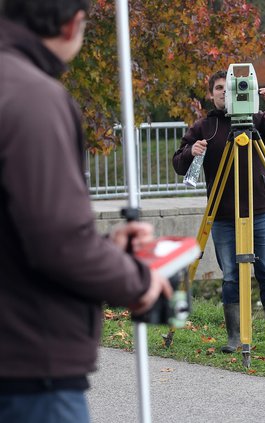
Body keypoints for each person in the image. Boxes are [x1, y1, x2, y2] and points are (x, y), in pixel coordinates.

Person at [0, 1, 173, 421]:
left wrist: (103, 250)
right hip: (28, 369)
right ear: (72, 24)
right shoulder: (34, 99)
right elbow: (56, 243)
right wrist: (137, 279)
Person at [173, 70, 265, 354]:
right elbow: (179, 165)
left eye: (228, 87)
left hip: (260, 213)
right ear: (211, 93)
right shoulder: (204, 127)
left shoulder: (257, 121)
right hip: (222, 216)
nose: (224, 92)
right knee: (231, 275)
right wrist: (190, 151)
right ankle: (235, 337)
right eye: (219, 88)